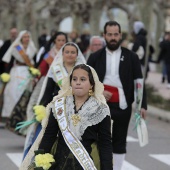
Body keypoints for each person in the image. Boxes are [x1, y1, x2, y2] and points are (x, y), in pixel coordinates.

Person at [20, 64, 113, 170]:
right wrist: (40, 159)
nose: (78, 82)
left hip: (87, 163)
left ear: (91, 84)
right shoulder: (59, 105)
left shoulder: (100, 109)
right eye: (74, 79)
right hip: (59, 161)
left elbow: (105, 142)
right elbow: (49, 135)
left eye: (83, 79)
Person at [87, 21, 147, 170]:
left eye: (115, 34)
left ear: (120, 35)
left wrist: (142, 105)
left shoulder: (131, 57)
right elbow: (86, 80)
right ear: (104, 36)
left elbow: (138, 82)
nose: (113, 37)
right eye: (110, 34)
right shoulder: (95, 57)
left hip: (122, 105)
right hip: (99, 105)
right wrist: (99, 92)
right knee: (99, 140)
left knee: (119, 142)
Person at [22, 42, 86, 159]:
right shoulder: (56, 69)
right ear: (62, 54)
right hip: (58, 108)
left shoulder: (83, 70)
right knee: (47, 139)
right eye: (67, 52)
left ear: (77, 54)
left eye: (73, 52)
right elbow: (48, 91)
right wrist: (42, 108)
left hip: (77, 109)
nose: (70, 55)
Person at [1, 30, 37, 132]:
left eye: (28, 37)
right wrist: (6, 74)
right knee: (13, 93)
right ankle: (11, 117)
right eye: (24, 37)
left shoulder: (32, 48)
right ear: (21, 38)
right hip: (16, 72)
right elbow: (10, 61)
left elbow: (34, 61)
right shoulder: (16, 48)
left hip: (27, 72)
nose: (26, 39)